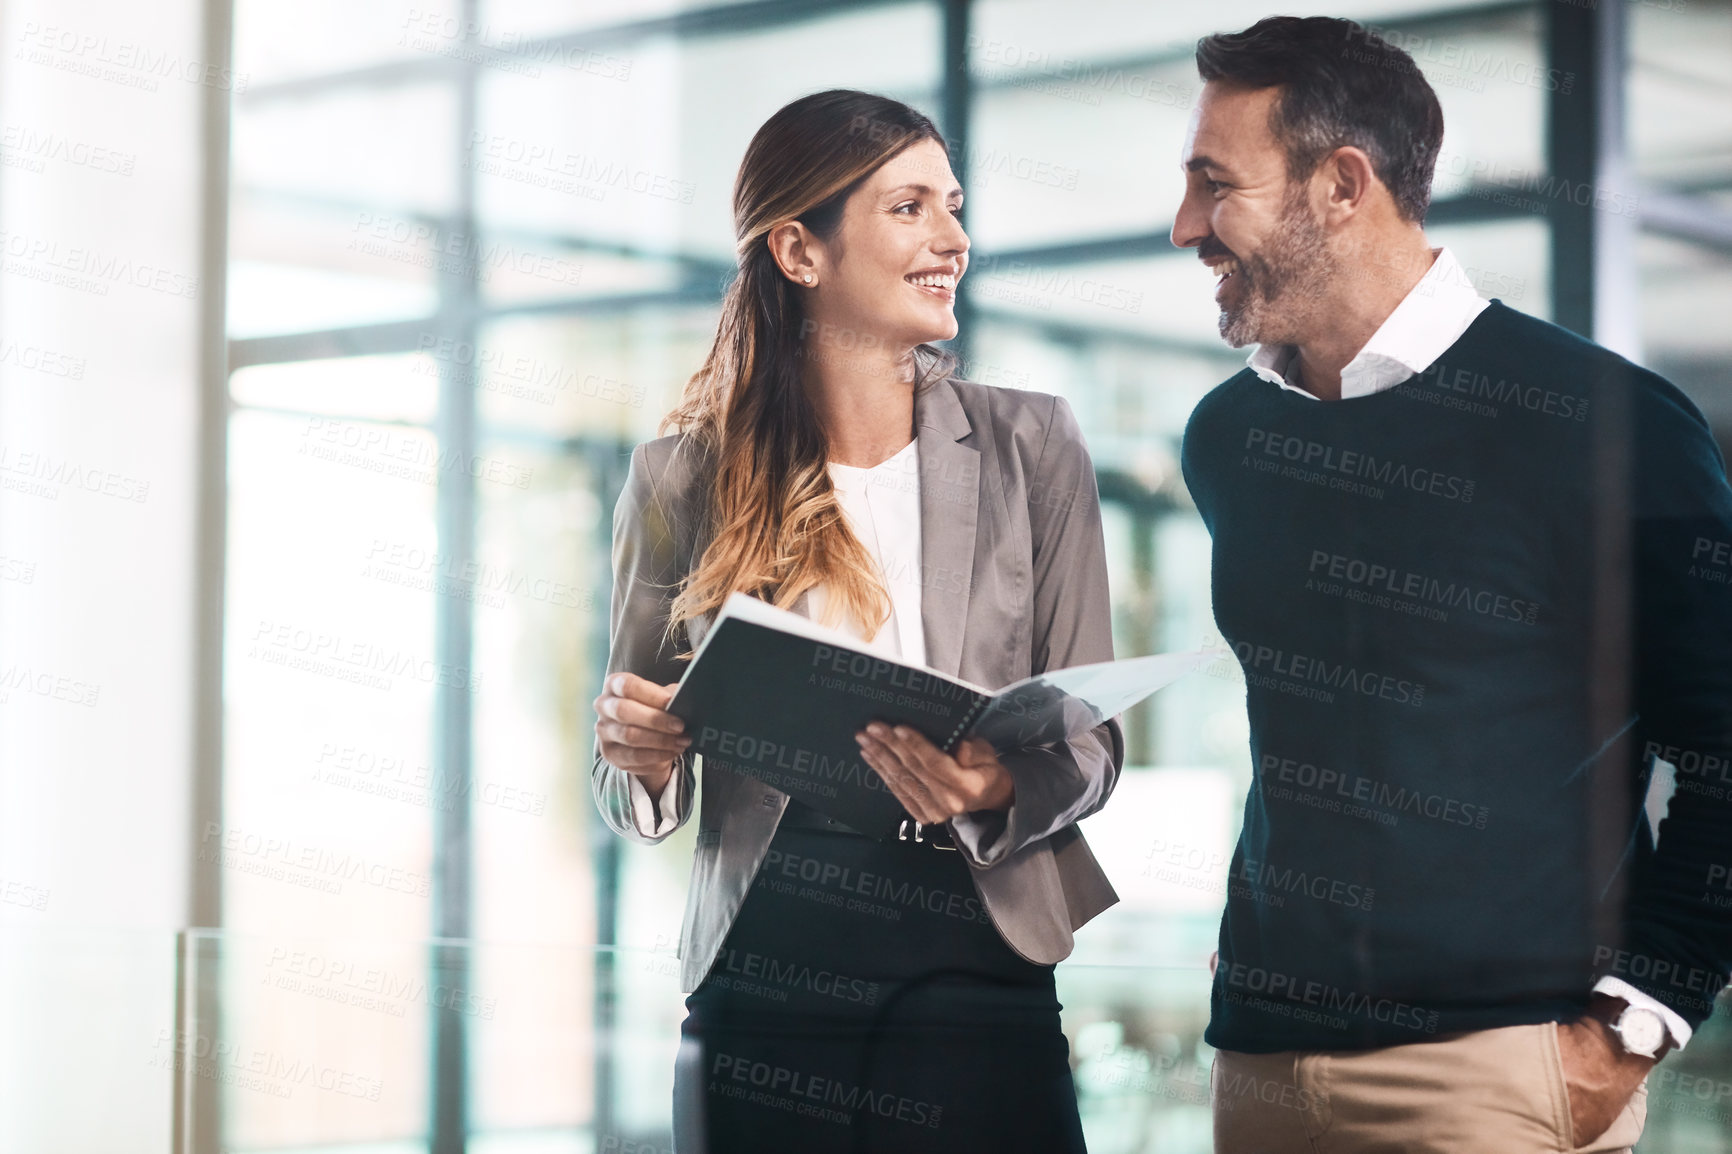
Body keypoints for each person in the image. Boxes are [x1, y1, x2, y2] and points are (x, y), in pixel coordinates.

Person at [1173, 17, 1732, 1153]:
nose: (1186, 226)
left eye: (1212, 185)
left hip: (1501, 1072)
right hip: (1257, 1062)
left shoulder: (1612, 427)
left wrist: (1629, 1028)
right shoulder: (1225, 435)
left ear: (1341, 184)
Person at [589, 89, 1123, 1153]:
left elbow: (1093, 739)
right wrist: (640, 755)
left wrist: (996, 784)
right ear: (800, 249)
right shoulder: (678, 478)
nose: (953, 239)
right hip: (770, 947)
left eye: (953, 206)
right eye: (909, 207)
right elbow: (629, 775)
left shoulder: (1035, 445)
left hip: (980, 932)